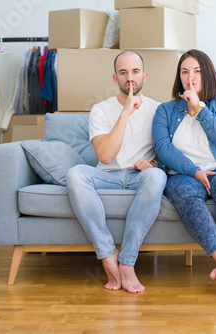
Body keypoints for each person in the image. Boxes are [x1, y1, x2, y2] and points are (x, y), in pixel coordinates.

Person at [66, 51, 167, 293]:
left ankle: (127, 262)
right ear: (115, 78)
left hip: (139, 177)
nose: (129, 78)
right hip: (107, 176)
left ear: (144, 75)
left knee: (157, 176)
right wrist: (126, 112)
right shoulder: (100, 110)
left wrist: (153, 164)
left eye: (134, 72)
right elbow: (105, 156)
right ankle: (108, 254)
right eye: (123, 73)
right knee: (75, 174)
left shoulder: (158, 109)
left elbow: (168, 154)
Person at [152, 49, 216, 289]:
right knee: (184, 193)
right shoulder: (164, 110)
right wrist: (194, 171)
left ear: (207, 75)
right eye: (184, 72)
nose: (190, 78)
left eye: (197, 71)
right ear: (179, 77)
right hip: (184, 174)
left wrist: (199, 108)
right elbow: (163, 149)